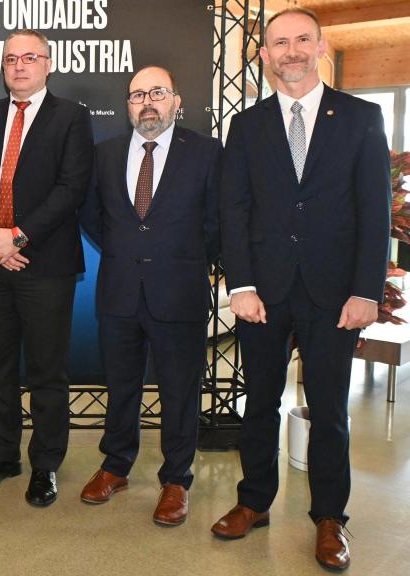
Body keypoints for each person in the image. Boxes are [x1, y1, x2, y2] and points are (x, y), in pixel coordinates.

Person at [213, 8, 390, 571]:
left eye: (301, 40)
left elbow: (374, 209)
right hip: (261, 293)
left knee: (330, 410)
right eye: (278, 42)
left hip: (335, 294)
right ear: (263, 55)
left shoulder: (362, 117)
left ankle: (330, 518)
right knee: (260, 403)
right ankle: (253, 502)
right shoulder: (247, 126)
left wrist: (366, 290)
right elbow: (233, 211)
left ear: (320, 48)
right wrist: (238, 284)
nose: (290, 51)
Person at [0, 29, 93, 507]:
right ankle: (3, 454)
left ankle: (46, 464)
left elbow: (72, 187)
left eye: (29, 57)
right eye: (11, 58)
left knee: (46, 370)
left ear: (47, 64)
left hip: (45, 264)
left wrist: (19, 235)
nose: (19, 66)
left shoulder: (71, 117)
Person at [78, 65, 221, 525]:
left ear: (176, 101)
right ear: (128, 106)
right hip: (119, 290)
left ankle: (176, 479)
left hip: (179, 292)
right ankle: (115, 465)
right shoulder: (105, 154)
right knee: (121, 387)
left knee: (180, 391)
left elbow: (217, 223)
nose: (147, 102)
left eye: (157, 92)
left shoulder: (206, 153)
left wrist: (178, 255)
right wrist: (128, 249)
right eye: (137, 94)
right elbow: (92, 217)